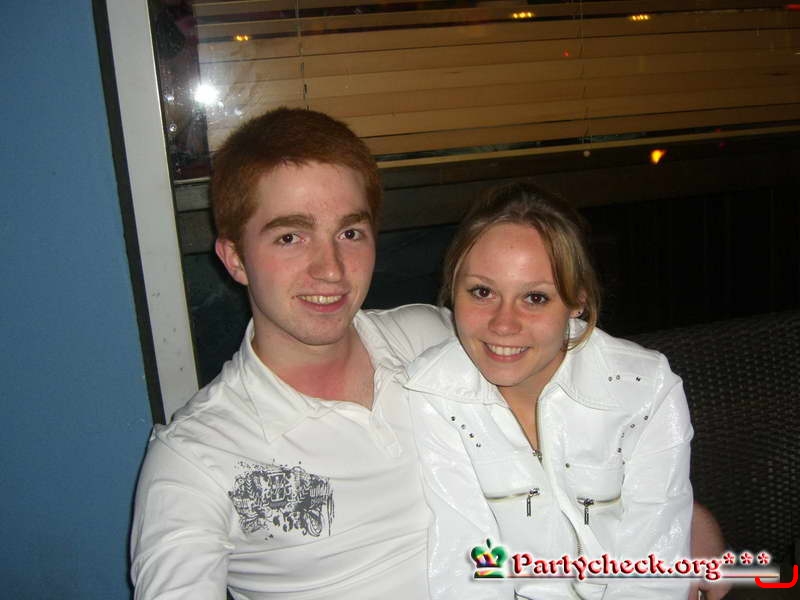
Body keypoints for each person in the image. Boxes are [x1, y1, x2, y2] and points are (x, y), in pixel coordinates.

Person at [129, 108, 453, 599]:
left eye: (349, 233)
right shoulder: (198, 457)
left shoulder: (428, 339)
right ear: (235, 259)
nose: (331, 269)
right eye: (290, 237)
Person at [405, 182, 694, 599]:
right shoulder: (432, 395)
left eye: (535, 298)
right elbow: (462, 564)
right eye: (482, 292)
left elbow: (654, 564)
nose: (504, 324)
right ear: (453, 289)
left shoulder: (645, 390)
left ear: (577, 301)